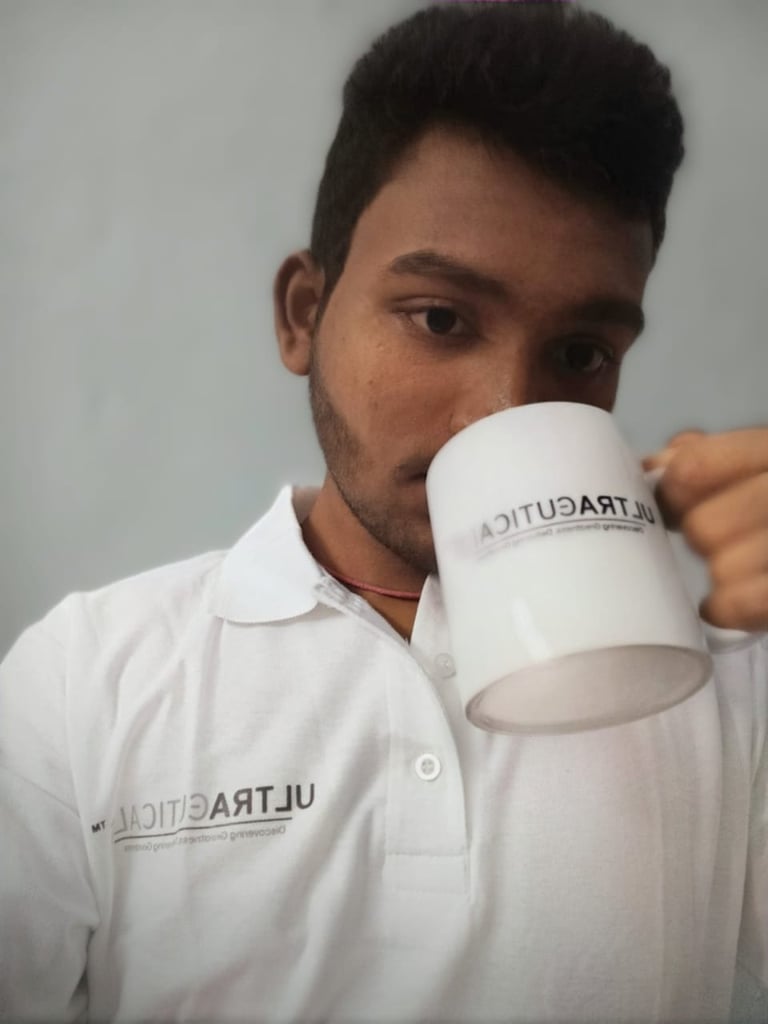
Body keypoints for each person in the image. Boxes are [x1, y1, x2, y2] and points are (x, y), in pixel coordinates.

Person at [1, 2, 767, 1021]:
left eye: (582, 353)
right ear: (304, 316)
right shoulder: (86, 681)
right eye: (441, 319)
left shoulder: (729, 684)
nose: (503, 411)